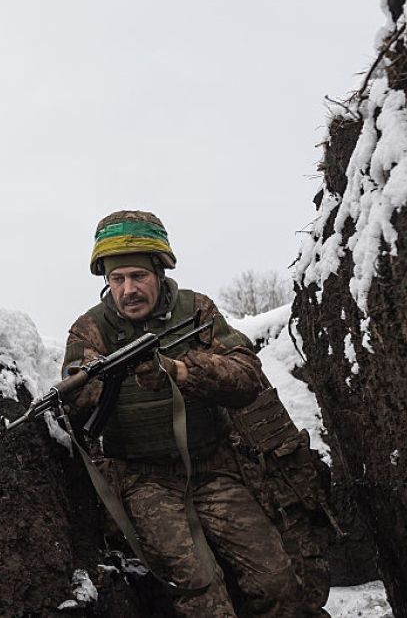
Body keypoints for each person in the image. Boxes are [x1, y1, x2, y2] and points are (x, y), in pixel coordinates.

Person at [61, 210, 303, 617]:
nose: (128, 289)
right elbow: (77, 411)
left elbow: (247, 377)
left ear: (159, 271)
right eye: (117, 279)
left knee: (277, 581)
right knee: (200, 591)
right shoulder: (91, 331)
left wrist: (181, 371)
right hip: (144, 481)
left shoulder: (196, 311)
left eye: (138, 276)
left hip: (214, 467)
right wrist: (97, 384)